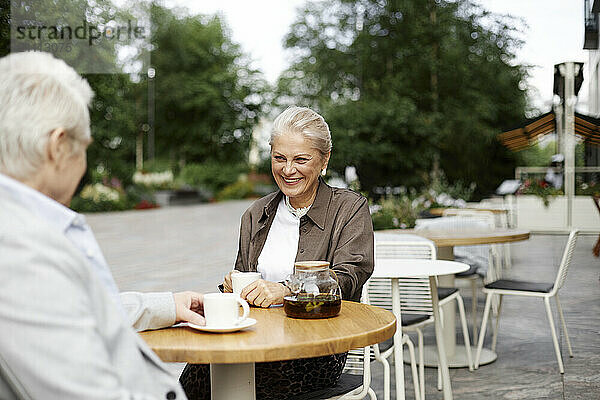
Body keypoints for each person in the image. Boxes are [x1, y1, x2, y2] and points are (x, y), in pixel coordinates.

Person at [0, 51, 205, 399]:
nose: (83, 164)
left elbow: (65, 310)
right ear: (58, 146)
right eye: (84, 149)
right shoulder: (19, 252)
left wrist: (165, 305)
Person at [180, 106, 374, 399]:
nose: (287, 169)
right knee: (198, 368)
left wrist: (287, 290)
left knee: (243, 379)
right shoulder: (256, 214)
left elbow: (349, 276)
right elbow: (243, 284)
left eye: (301, 159)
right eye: (279, 158)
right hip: (253, 339)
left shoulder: (349, 209)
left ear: (324, 160)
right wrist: (233, 287)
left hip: (316, 349)